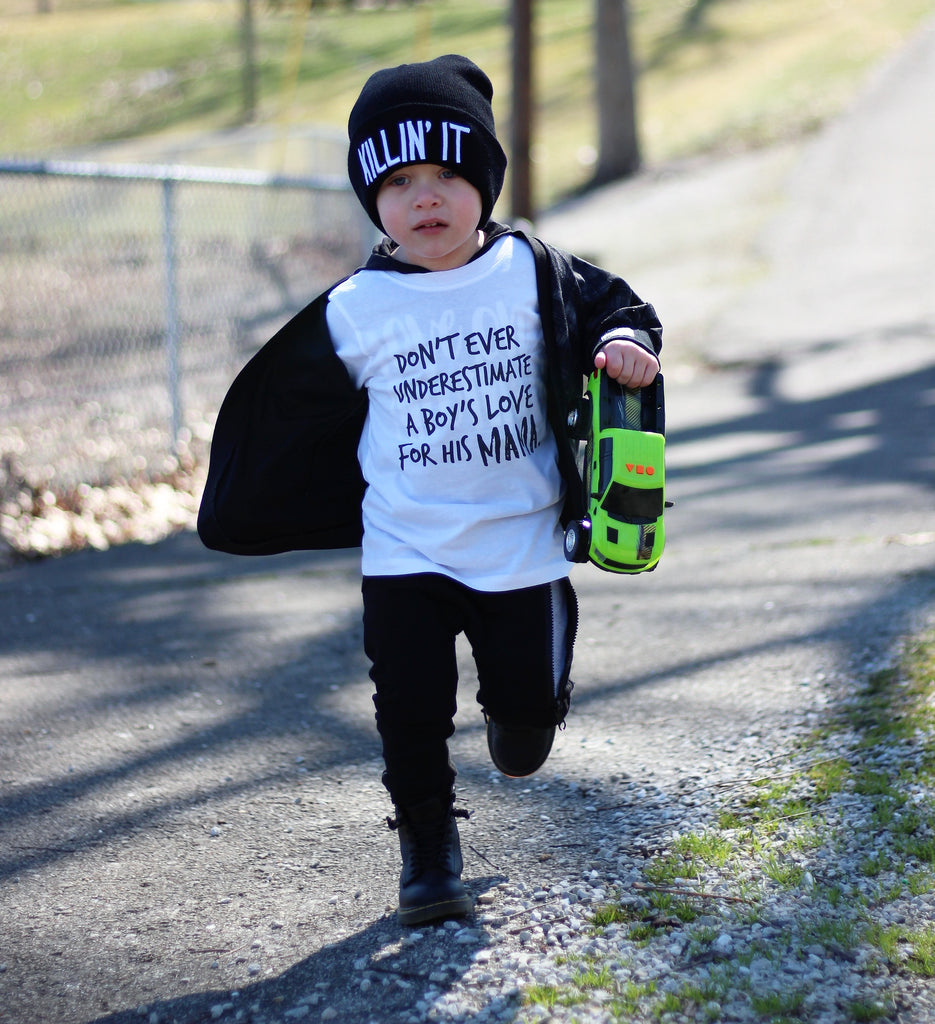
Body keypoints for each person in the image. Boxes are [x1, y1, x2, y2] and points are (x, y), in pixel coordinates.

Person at [198, 54, 662, 927]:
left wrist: (627, 347)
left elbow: (618, 309)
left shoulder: (532, 271)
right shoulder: (352, 310)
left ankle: (526, 714)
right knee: (408, 710)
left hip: (520, 543)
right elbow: (284, 416)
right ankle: (426, 853)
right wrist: (253, 502)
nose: (427, 198)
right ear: (371, 200)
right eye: (400, 180)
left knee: (520, 729)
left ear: (485, 180)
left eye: (451, 173)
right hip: (405, 547)